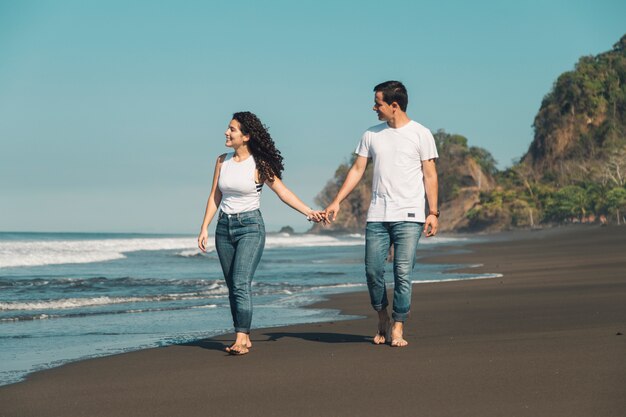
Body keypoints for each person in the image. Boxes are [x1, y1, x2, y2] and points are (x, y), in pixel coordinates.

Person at [197, 111, 324, 355]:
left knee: (240, 281)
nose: (226, 132)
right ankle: (242, 333)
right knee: (232, 285)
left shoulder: (259, 164)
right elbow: (216, 195)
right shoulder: (221, 161)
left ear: (246, 136)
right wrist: (204, 227)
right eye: (228, 128)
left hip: (250, 228)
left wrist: (309, 212)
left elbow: (282, 191)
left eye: (232, 129)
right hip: (224, 228)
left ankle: (241, 337)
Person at [324, 81, 439, 347]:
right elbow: (356, 170)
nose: (374, 107)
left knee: (402, 272)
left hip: (410, 216)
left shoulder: (421, 134)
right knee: (373, 271)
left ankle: (398, 325)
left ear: (394, 105)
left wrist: (433, 212)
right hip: (377, 215)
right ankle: (382, 317)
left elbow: (430, 175)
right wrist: (336, 201)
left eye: (378, 103)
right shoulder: (371, 134)